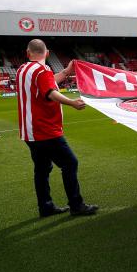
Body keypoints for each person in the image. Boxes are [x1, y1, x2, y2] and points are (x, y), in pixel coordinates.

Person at [16, 39, 98, 217]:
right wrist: (72, 103)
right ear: (47, 53)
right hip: (45, 130)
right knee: (70, 162)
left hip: (29, 133)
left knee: (42, 169)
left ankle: (45, 207)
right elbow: (50, 92)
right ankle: (76, 205)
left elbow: (48, 83)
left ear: (27, 53)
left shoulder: (23, 69)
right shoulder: (42, 70)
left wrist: (67, 72)